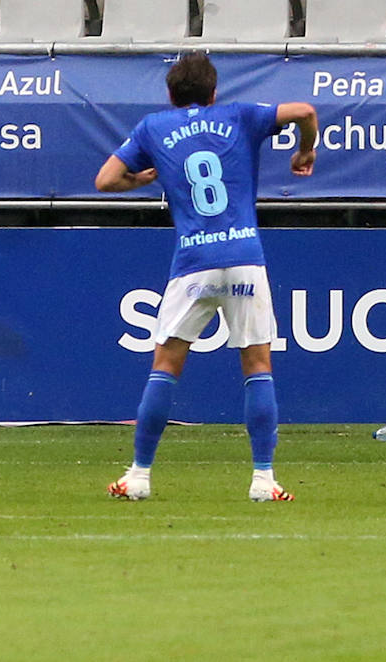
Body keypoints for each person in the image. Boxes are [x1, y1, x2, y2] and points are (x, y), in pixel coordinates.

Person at [96, 52, 318, 502]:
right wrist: (305, 149)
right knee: (256, 365)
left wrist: (141, 181)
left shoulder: (154, 127)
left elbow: (105, 180)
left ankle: (139, 476)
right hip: (243, 255)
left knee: (166, 364)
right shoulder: (240, 116)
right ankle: (263, 480)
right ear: (215, 92)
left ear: (170, 94)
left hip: (193, 260)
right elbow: (306, 111)